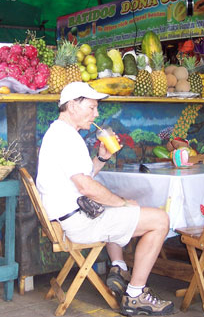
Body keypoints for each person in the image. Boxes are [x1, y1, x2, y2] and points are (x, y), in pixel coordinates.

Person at [36, 82, 174, 316]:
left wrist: (101, 158)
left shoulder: (61, 133)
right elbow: (86, 186)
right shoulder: (66, 138)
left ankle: (118, 269)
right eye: (91, 108)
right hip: (78, 223)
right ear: (71, 106)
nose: (96, 114)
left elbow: (81, 178)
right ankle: (134, 295)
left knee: (121, 205)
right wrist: (121, 202)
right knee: (160, 220)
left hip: (70, 216)